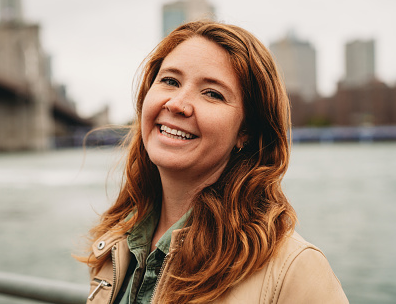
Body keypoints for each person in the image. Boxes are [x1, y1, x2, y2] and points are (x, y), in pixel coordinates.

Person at [81, 20, 348, 303]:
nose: (177, 103)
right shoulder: (117, 243)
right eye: (170, 81)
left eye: (212, 93)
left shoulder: (295, 271)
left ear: (246, 131)